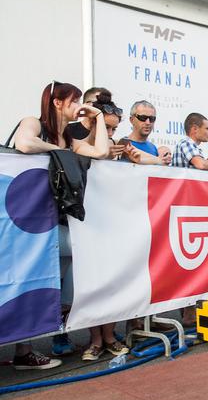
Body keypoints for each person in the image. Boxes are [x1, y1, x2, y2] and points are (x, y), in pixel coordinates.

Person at [12, 81, 110, 369]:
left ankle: (43, 331)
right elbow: (24, 143)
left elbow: (102, 152)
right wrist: (57, 150)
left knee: (71, 261)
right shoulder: (33, 123)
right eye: (73, 99)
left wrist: (99, 118)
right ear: (57, 102)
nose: (78, 104)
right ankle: (26, 348)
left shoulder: (71, 134)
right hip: (23, 218)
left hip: (50, 220)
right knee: (28, 277)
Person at [118, 101, 170, 165]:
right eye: (143, 118)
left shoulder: (153, 148)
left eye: (152, 118)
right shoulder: (122, 144)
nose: (148, 122)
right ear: (132, 120)